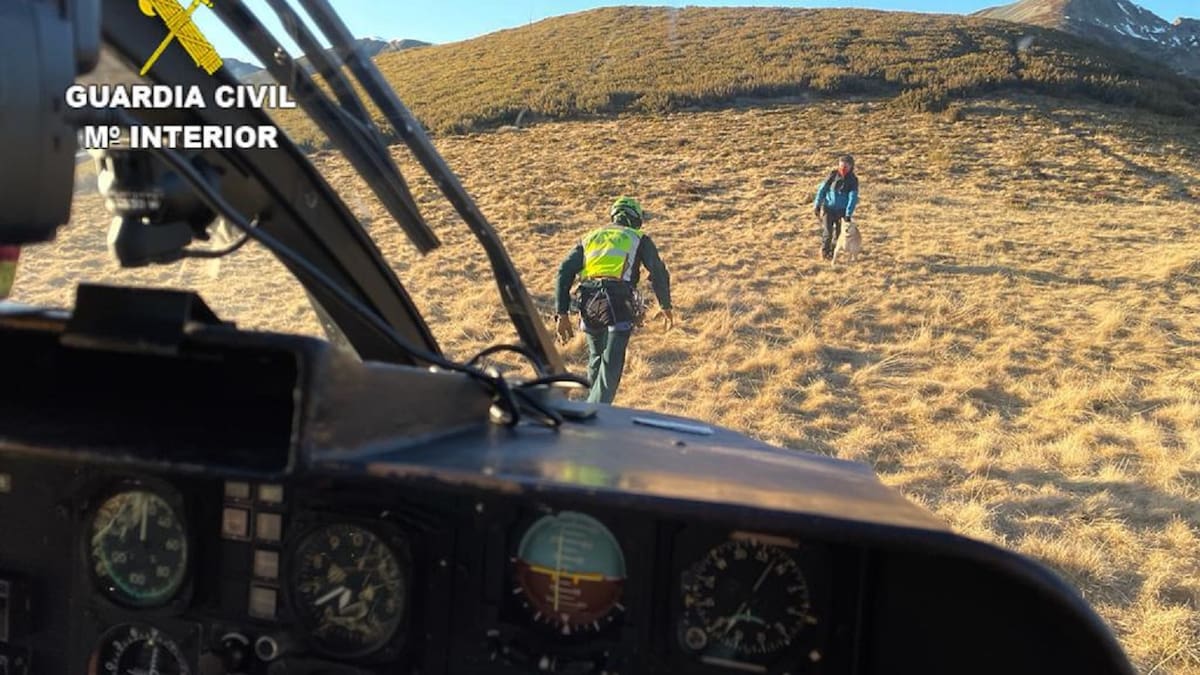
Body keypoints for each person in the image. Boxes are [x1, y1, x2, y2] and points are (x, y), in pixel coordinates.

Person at [554, 196, 674, 404]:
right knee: (612, 362)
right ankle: (596, 412)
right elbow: (658, 271)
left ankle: (592, 402)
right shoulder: (638, 237)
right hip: (619, 301)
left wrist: (562, 313)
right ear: (636, 218)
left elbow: (564, 271)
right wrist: (665, 305)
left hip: (588, 301)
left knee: (597, 356)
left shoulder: (590, 237)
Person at [814, 154, 859, 261]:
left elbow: (852, 197)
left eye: (846, 166)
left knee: (839, 234)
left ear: (851, 167)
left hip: (842, 212)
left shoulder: (853, 180)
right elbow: (822, 189)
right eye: (841, 165)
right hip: (828, 208)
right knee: (828, 232)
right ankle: (825, 253)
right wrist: (817, 205)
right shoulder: (832, 175)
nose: (843, 168)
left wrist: (848, 214)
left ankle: (833, 252)